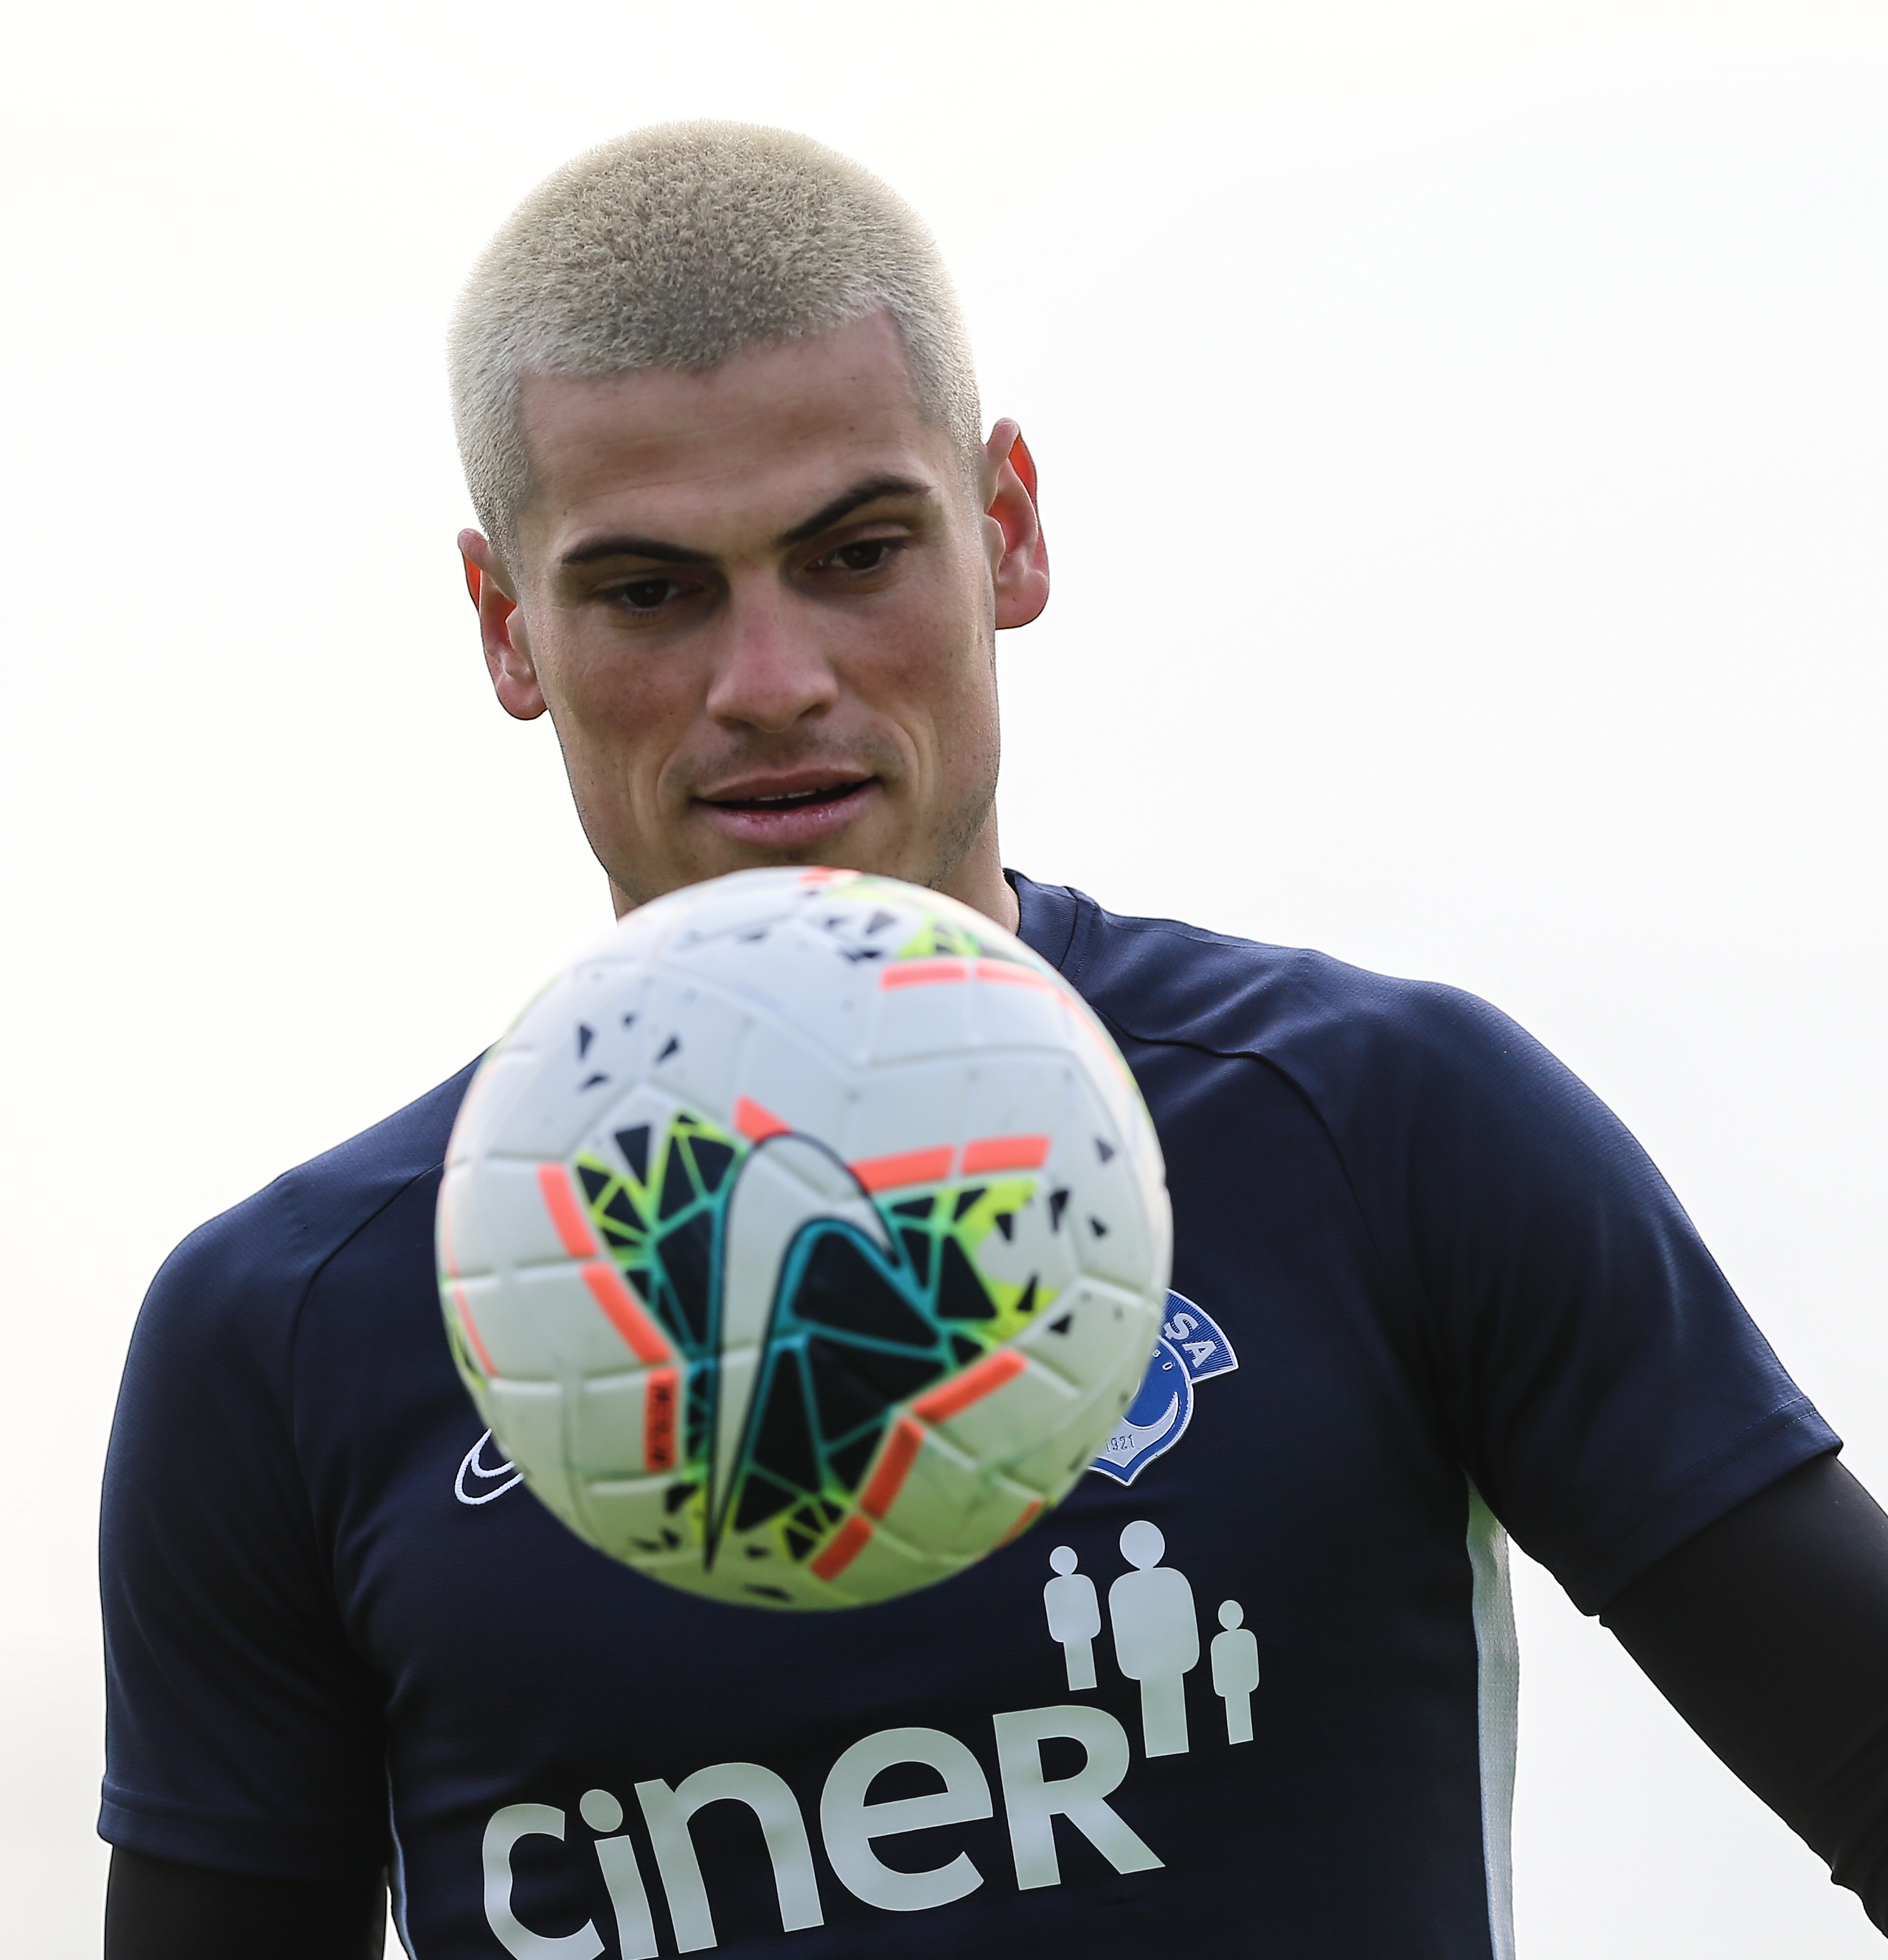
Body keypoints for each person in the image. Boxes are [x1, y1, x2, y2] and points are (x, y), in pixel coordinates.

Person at [99, 122, 1888, 1959]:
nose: (771, 682)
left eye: (856, 553)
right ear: (508, 629)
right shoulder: (288, 1339)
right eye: (650, 592)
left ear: (1007, 528)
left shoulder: (1380, 1129)